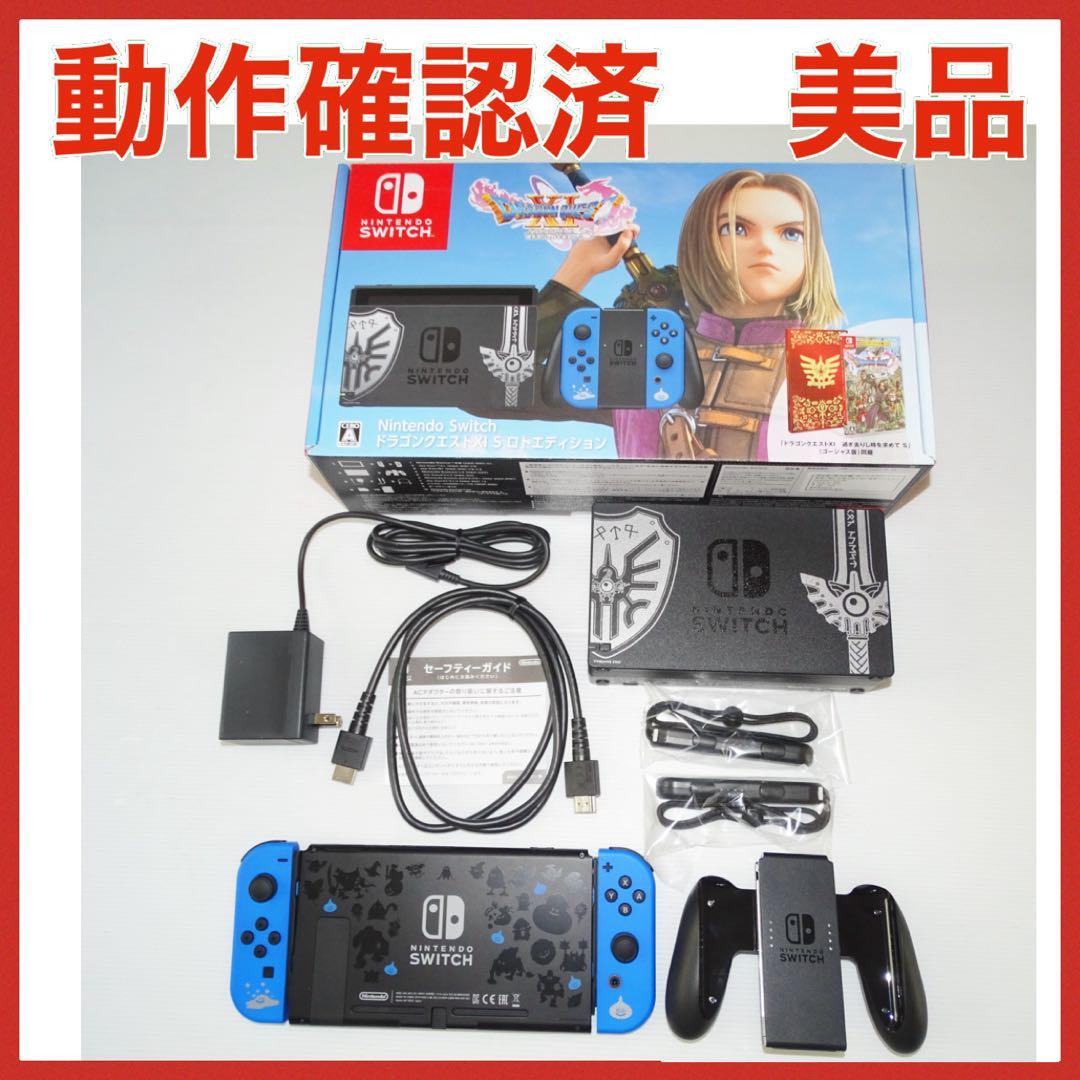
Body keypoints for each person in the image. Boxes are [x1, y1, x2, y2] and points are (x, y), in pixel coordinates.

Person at [539, 169, 843, 459]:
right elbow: (511, 385)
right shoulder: (643, 354)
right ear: (701, 243)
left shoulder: (825, 362)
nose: (765, 246)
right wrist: (578, 268)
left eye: (791, 233)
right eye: (736, 228)